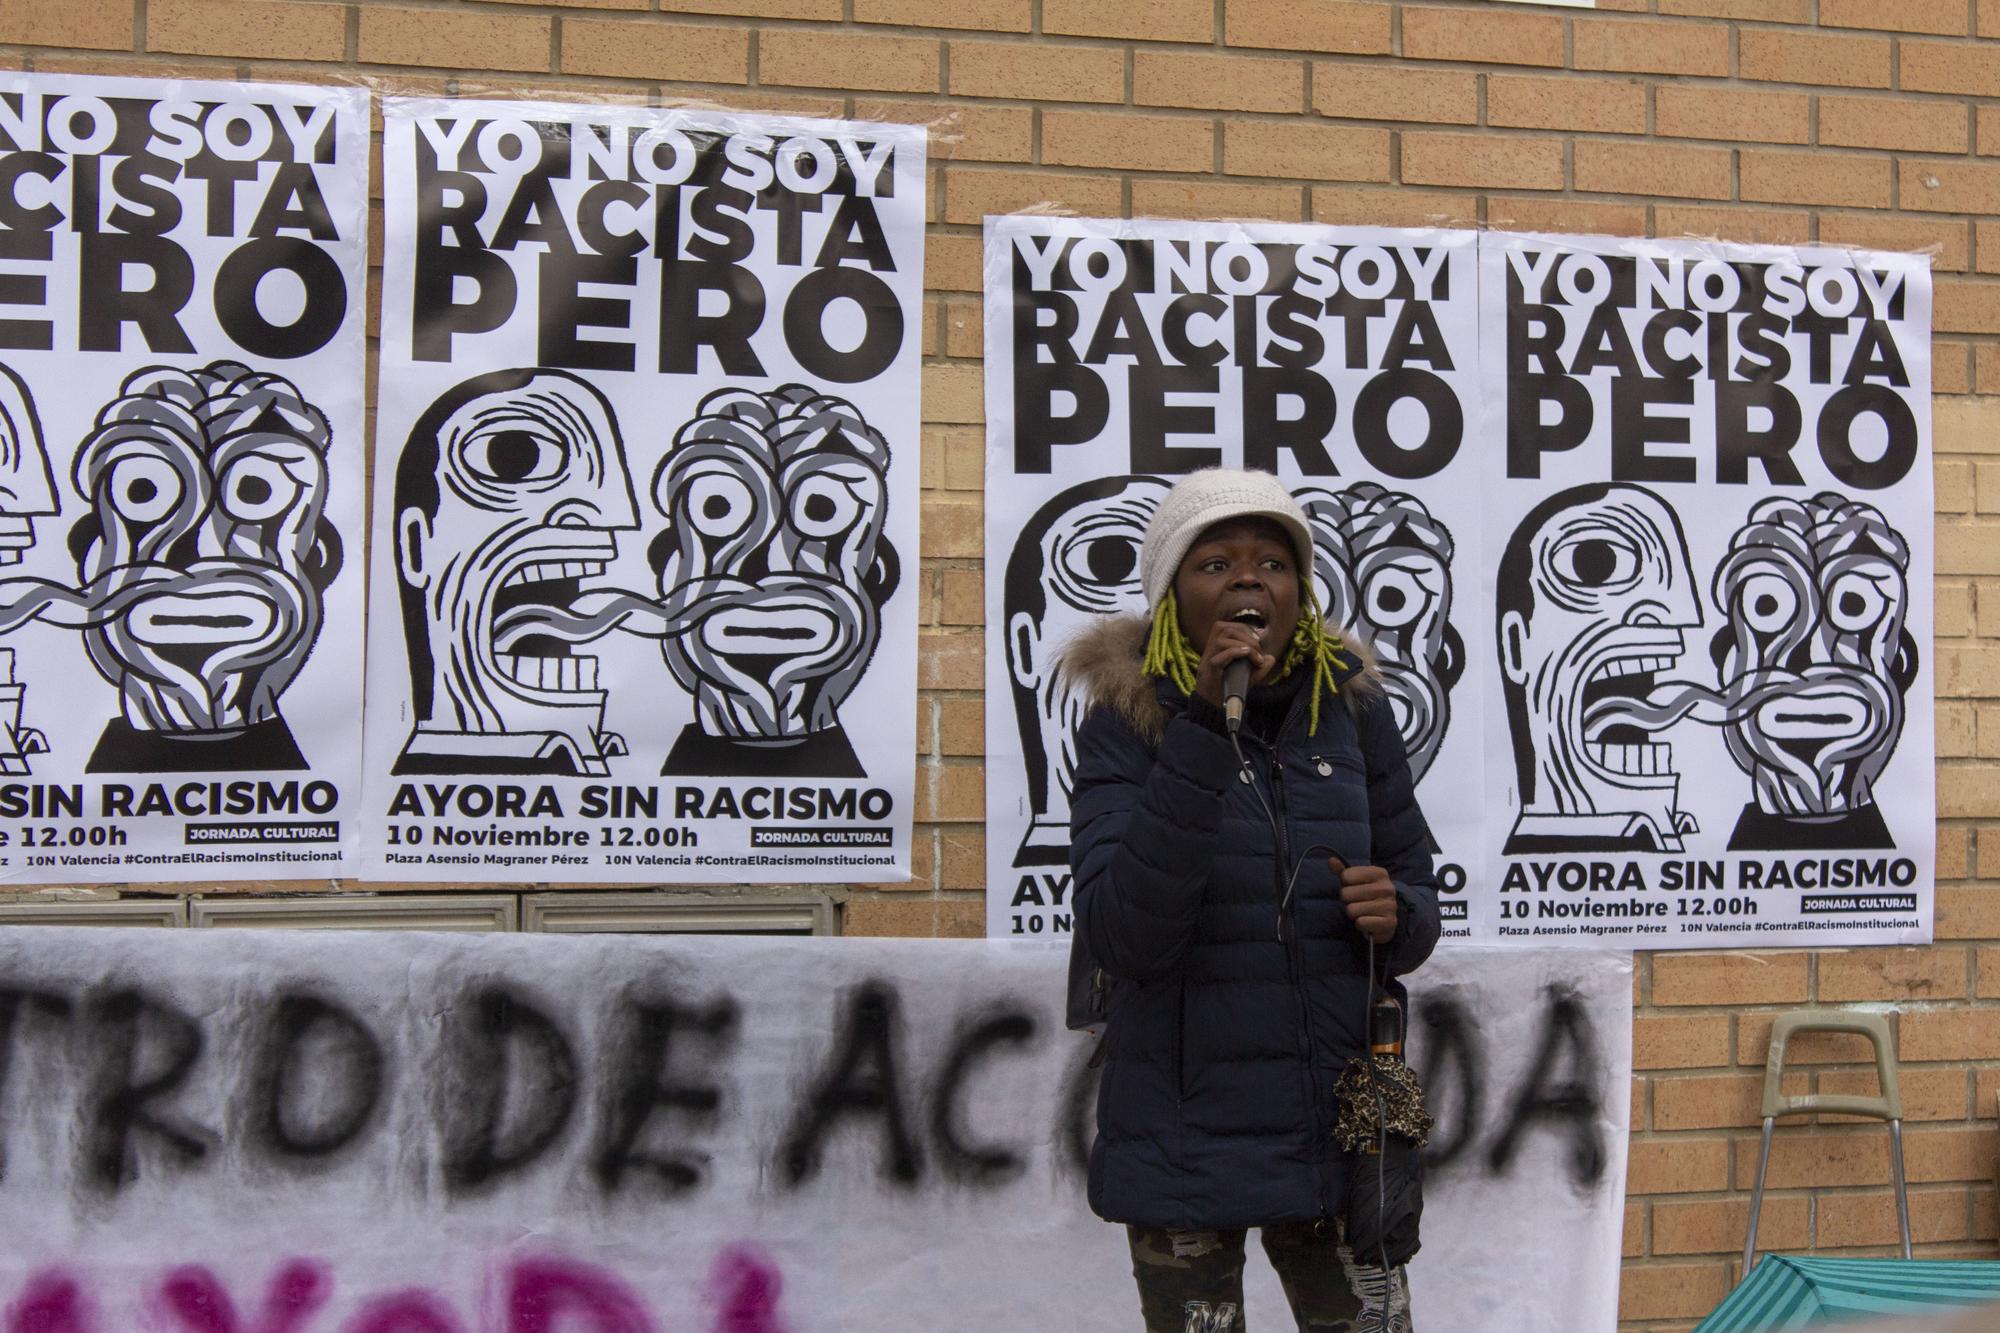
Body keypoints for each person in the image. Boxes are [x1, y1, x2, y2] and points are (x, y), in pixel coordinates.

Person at [1065, 467, 1442, 1333]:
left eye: (1273, 561)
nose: (1247, 578)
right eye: (1215, 563)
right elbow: (1123, 934)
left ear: (1298, 591)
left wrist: (1401, 912)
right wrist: (1200, 727)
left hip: (1337, 1136)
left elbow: (1416, 893)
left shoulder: (1350, 711)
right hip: (1186, 1143)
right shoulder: (1126, 723)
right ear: (1172, 597)